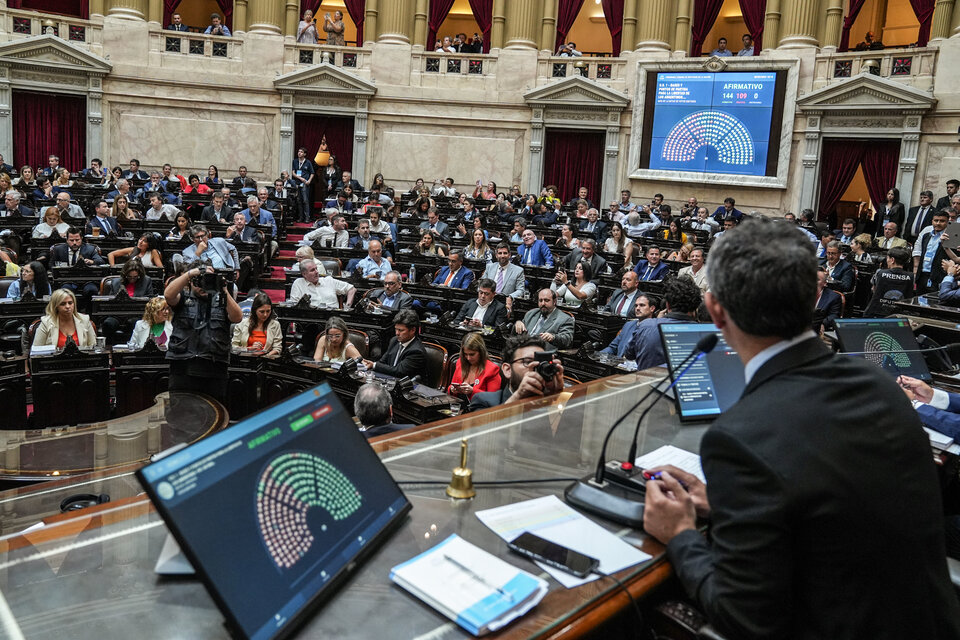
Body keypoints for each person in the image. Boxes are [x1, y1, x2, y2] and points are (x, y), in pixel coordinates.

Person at [642, 219, 960, 640]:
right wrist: (730, 507)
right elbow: (835, 513)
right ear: (814, 294)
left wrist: (680, 534)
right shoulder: (881, 385)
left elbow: (747, 619)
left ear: (715, 310)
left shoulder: (738, 436)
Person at [164, 264, 242, 404]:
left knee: (215, 417)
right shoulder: (183, 299)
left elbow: (237, 317)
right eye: (198, 282)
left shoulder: (222, 300)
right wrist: (189, 274)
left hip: (214, 370)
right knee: (180, 416)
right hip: (183, 368)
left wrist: (222, 288)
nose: (203, 286)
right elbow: (168, 295)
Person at [469, 334, 564, 410]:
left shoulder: (557, 401)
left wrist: (556, 398)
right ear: (507, 370)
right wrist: (518, 396)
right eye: (528, 362)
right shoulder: (484, 401)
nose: (536, 368)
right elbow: (485, 432)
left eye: (542, 363)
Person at [625, 276, 701, 367]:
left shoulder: (645, 326)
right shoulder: (706, 333)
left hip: (647, 380)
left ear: (667, 305)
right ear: (695, 307)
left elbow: (629, 355)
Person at [362, 309, 425, 378]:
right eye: (396, 329)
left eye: (401, 330)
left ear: (413, 330)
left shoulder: (416, 351)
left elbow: (399, 371)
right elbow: (382, 362)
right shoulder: (394, 340)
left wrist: (374, 365)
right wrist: (372, 364)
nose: (397, 333)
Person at [32, 288, 97, 350]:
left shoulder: (84, 320)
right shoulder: (46, 322)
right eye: (63, 304)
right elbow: (36, 350)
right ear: (56, 306)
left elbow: (93, 347)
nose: (68, 306)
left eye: (70, 303)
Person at [447, 331, 501, 400]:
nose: (468, 358)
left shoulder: (492, 369)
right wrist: (452, 389)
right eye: (466, 354)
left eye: (472, 354)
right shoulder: (460, 362)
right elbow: (451, 388)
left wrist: (473, 391)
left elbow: (493, 399)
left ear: (481, 352)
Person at [863, 247, 914, 316]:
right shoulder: (911, 276)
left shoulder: (880, 273)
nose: (886, 261)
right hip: (900, 313)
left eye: (887, 258)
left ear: (892, 260)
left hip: (878, 312)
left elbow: (873, 289)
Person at [290, 259, 356, 310]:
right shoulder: (298, 283)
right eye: (312, 270)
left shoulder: (329, 281)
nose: (316, 272)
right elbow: (293, 305)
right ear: (304, 274)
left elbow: (352, 289)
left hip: (332, 317)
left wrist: (347, 307)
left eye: (316, 268)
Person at [913, 210, 952, 294]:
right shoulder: (926, 235)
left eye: (942, 221)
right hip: (922, 275)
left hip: (938, 277)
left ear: (948, 223)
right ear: (932, 221)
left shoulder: (950, 237)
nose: (938, 223)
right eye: (936, 220)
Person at [232, 292, 281, 356]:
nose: (265, 314)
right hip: (246, 359)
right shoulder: (241, 324)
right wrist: (249, 349)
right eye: (262, 311)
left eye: (268, 311)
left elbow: (277, 348)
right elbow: (234, 348)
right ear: (255, 310)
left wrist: (265, 356)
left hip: (266, 360)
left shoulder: (275, 325)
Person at [813, 267, 842, 332]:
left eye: (817, 279)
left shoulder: (833, 297)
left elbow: (834, 315)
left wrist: (822, 324)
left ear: (825, 283)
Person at [292, 147, 315, 223]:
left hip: (305, 183)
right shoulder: (295, 161)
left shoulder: (308, 162)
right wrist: (300, 178)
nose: (299, 153)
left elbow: (312, 173)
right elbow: (293, 173)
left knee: (305, 200)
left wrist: (309, 181)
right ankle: (300, 217)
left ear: (304, 154)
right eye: (299, 151)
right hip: (297, 182)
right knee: (299, 200)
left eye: (301, 152)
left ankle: (307, 217)